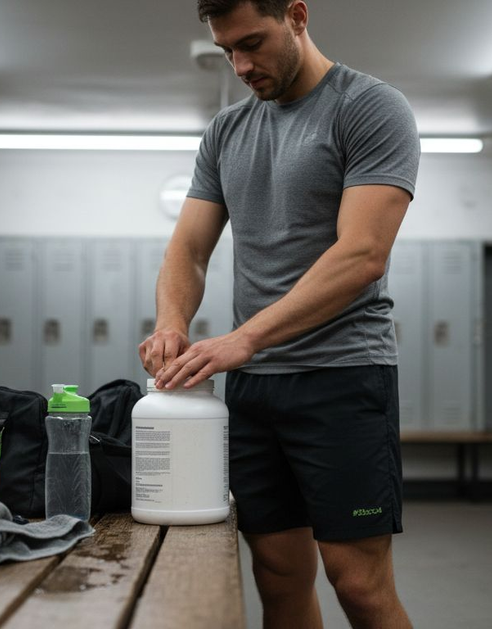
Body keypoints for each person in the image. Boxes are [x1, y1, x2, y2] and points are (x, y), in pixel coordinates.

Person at [137, 1, 418, 627]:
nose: (240, 64)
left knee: (359, 585)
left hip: (342, 379)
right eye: (226, 50)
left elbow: (363, 254)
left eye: (252, 43)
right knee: (280, 575)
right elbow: (187, 247)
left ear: (296, 15)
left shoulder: (368, 108)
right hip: (256, 392)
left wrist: (246, 338)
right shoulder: (227, 132)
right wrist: (171, 322)